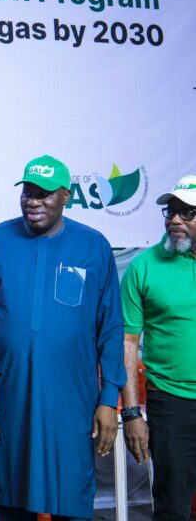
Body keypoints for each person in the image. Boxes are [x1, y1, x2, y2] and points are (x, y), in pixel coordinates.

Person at [0, 155, 126, 521]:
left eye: (43, 195)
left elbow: (112, 327)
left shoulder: (93, 246)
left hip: (71, 403)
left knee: (70, 497)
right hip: (9, 399)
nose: (33, 202)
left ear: (65, 196)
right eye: (27, 193)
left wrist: (109, 399)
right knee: (10, 496)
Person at [120, 174, 196, 521]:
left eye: (188, 213)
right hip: (171, 402)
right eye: (171, 211)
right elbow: (127, 342)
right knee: (172, 504)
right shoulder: (144, 266)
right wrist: (133, 412)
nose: (175, 220)